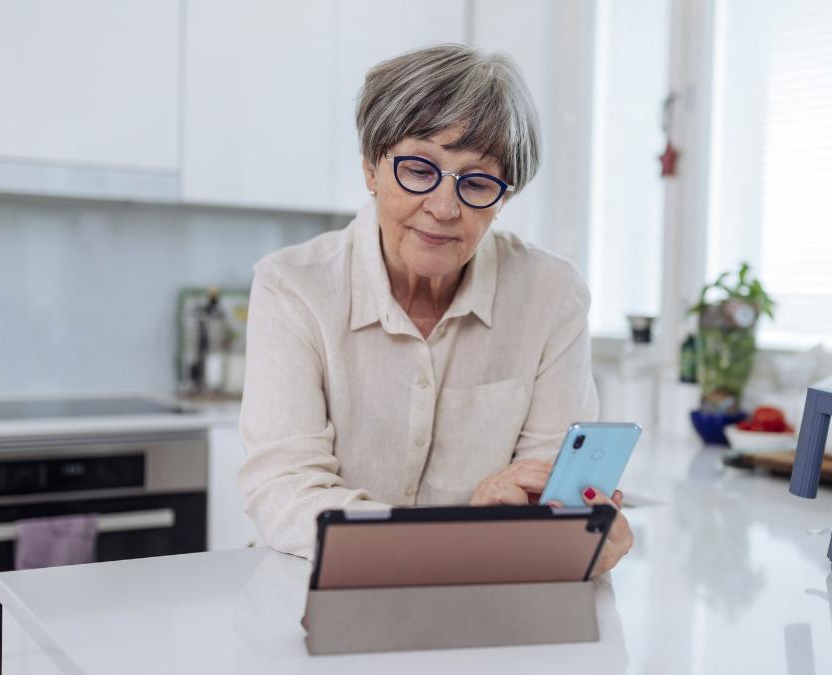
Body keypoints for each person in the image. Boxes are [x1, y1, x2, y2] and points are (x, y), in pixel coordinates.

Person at [237, 44, 632, 576]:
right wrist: (460, 535)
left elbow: (549, 494)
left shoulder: (552, 296)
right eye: (419, 169)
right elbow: (285, 491)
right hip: (308, 585)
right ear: (371, 168)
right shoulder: (293, 287)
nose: (444, 208)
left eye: (477, 183)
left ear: (503, 198)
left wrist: (578, 535)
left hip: (481, 595)